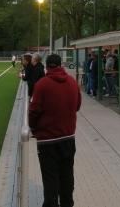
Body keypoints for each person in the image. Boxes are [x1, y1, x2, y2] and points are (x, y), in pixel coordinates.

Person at [29, 54, 81, 207]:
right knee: (67, 176)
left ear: (47, 66)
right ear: (60, 65)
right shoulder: (72, 82)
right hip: (68, 137)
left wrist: (33, 128)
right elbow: (77, 105)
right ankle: (67, 203)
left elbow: (34, 111)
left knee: (50, 179)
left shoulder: (42, 84)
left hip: (48, 140)